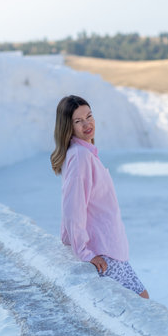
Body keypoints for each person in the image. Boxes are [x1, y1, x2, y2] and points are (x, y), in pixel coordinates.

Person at [50, 95, 149, 299]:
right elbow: (73, 209)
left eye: (89, 116)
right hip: (103, 252)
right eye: (79, 121)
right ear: (68, 127)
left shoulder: (85, 153)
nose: (87, 124)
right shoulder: (80, 157)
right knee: (142, 302)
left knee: (141, 303)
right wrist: (86, 253)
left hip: (110, 248)